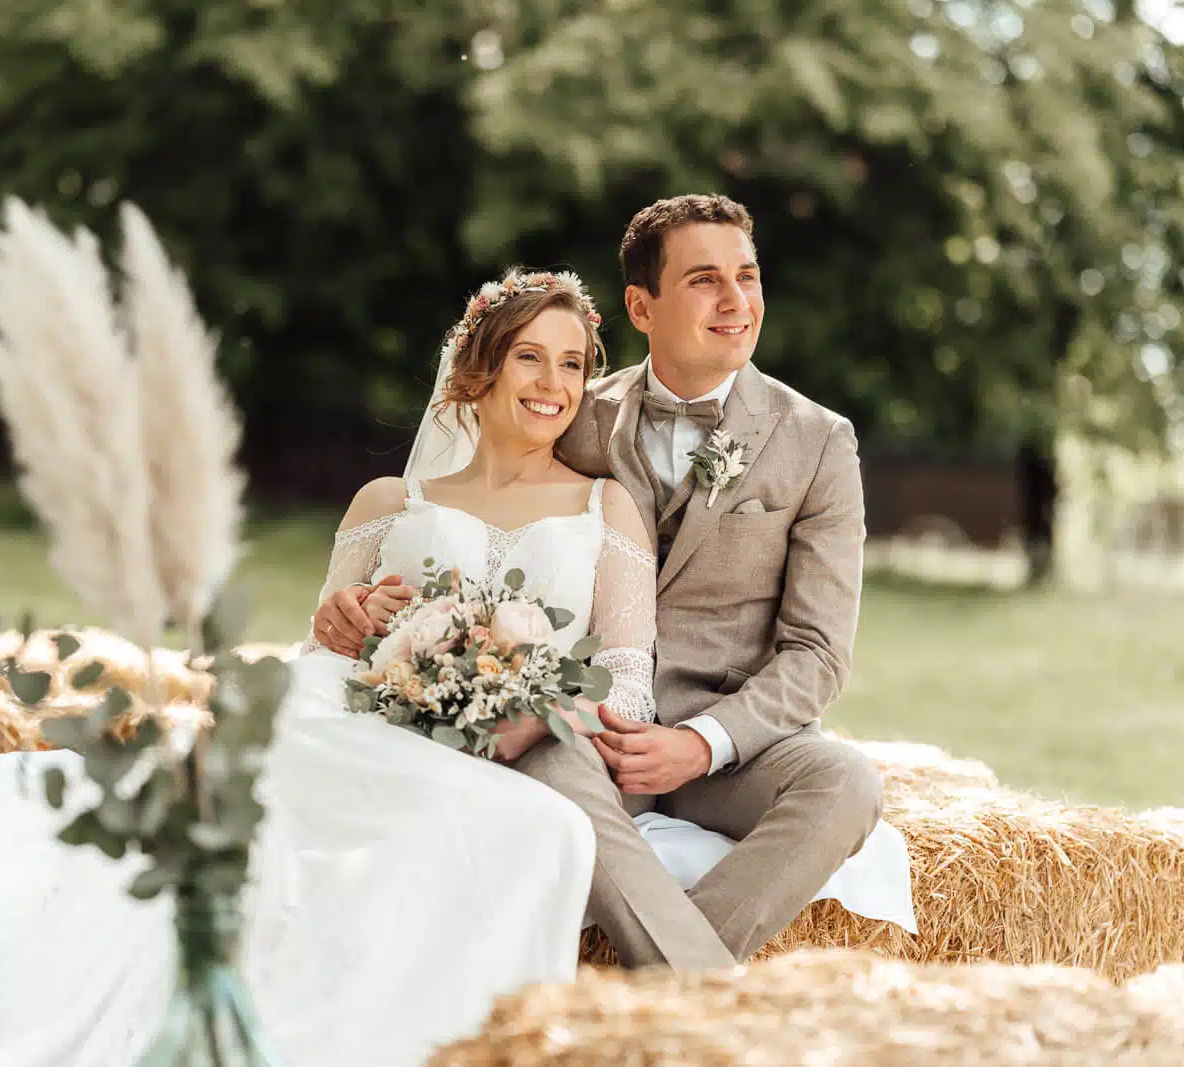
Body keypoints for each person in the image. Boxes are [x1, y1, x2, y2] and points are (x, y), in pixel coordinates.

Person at [0, 269, 638, 1067]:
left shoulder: (605, 506)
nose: (554, 384)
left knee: (547, 832)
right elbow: (323, 642)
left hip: (512, 737)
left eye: (572, 364)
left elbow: (628, 682)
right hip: (357, 719)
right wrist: (346, 624)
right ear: (476, 370)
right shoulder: (390, 501)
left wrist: (534, 711)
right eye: (530, 357)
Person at [316, 194, 893, 971]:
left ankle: (661, 995)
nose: (735, 301)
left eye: (747, 277)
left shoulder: (819, 442)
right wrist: (367, 613)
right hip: (591, 733)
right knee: (550, 752)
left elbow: (819, 654)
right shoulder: (572, 408)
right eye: (704, 280)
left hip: (732, 746)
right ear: (640, 305)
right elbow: (485, 524)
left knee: (849, 782)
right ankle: (710, 1006)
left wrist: (700, 743)